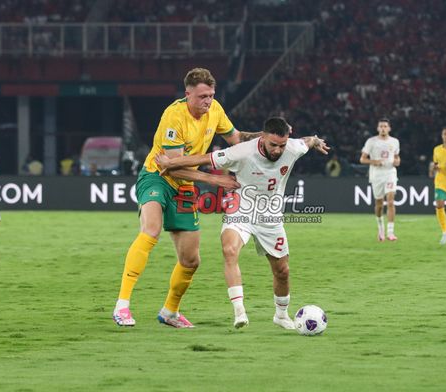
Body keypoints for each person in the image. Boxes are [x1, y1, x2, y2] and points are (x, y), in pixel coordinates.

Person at [112, 68, 261, 328]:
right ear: (188, 94)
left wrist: (266, 137)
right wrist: (216, 180)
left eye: (211, 95)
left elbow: (236, 139)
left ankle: (170, 312)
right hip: (157, 177)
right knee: (151, 230)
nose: (208, 101)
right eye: (202, 96)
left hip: (186, 187)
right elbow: (173, 166)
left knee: (191, 260)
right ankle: (122, 306)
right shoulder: (174, 116)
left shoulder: (215, 110)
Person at [156, 117, 329, 329]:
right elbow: (203, 158)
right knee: (229, 250)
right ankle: (239, 312)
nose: (277, 150)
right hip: (241, 208)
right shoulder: (243, 151)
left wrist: (316, 140)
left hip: (270, 216)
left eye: (282, 145)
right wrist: (170, 163)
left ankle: (281, 315)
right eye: (273, 145)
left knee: (282, 270)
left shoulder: (293, 148)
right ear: (263, 137)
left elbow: (307, 141)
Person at [359, 118, 400, 241]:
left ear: (389, 128)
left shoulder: (395, 141)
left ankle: (391, 233)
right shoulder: (371, 141)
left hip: (390, 173)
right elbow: (362, 159)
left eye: (385, 126)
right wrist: (374, 161)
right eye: (381, 126)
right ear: (378, 128)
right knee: (379, 204)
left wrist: (397, 161)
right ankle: (380, 229)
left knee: (391, 201)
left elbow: (397, 157)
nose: (383, 128)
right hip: (376, 174)